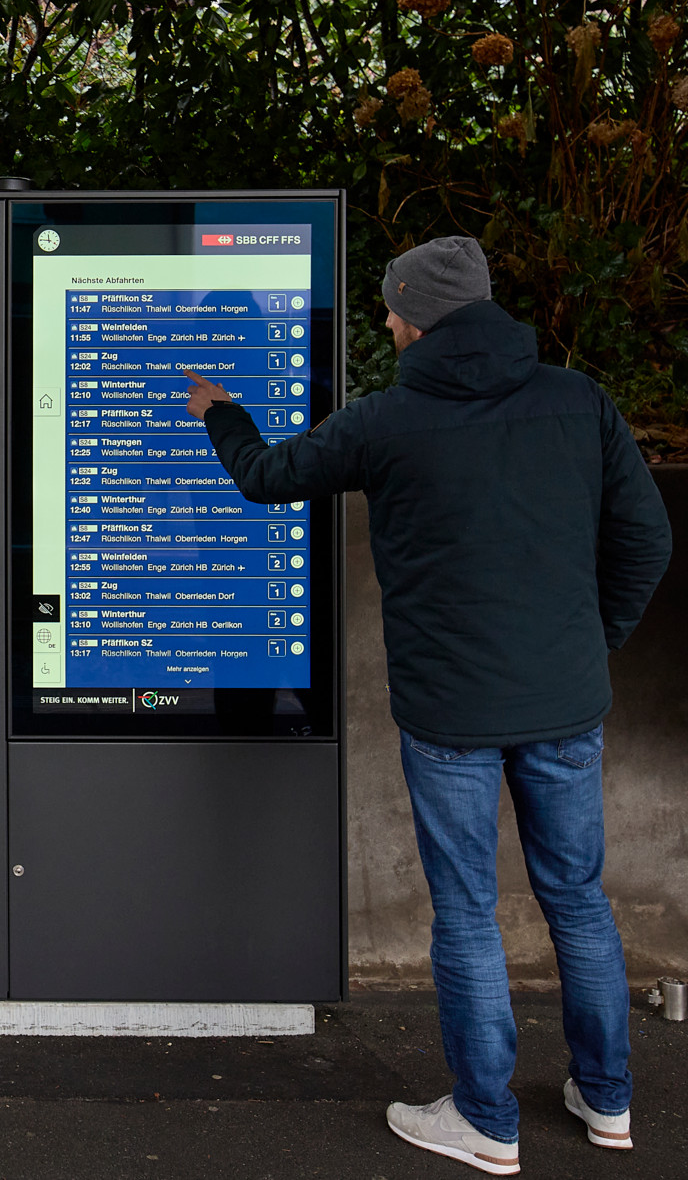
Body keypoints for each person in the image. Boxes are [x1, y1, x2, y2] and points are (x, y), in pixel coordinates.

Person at [183, 235, 671, 1176]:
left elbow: (266, 478)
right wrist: (591, 643)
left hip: (451, 718)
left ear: (417, 317)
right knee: (579, 899)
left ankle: (486, 1118)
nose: (387, 321)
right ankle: (607, 1099)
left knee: (468, 910)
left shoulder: (388, 420)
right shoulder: (579, 401)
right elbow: (646, 539)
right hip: (566, 706)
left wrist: (222, 411)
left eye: (393, 309)